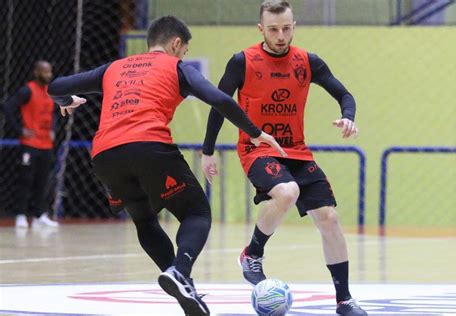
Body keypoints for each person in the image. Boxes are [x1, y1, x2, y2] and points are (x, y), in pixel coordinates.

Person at [48, 15, 285, 316]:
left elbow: (55, 85)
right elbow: (221, 100)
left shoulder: (114, 68)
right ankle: (180, 272)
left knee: (144, 220)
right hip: (149, 146)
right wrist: (256, 132)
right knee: (197, 212)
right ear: (176, 44)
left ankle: (180, 280)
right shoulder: (176, 68)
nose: (183, 56)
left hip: (104, 155)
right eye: (184, 51)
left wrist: (65, 98)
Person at [201, 1, 367, 315]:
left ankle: (344, 300)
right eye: (274, 29)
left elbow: (345, 94)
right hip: (258, 149)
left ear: (294, 26)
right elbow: (219, 105)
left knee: (329, 220)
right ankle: (252, 254)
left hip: (297, 151)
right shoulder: (242, 62)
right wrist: (207, 151)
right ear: (261, 29)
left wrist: (348, 116)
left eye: (286, 28)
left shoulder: (308, 61)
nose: (281, 35)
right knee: (287, 192)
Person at [4, 60, 60, 229]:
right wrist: (20, 129)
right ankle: (20, 215)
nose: (48, 75)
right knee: (25, 180)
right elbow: (7, 107)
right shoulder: (27, 90)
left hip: (46, 144)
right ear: (36, 72)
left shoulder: (51, 92)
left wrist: (53, 128)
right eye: (45, 72)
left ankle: (39, 215)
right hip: (30, 144)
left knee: (43, 181)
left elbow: (54, 114)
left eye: (50, 72)